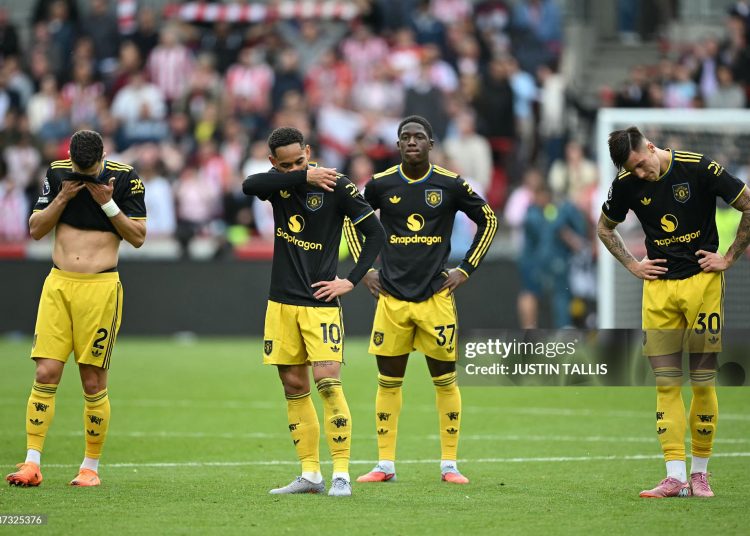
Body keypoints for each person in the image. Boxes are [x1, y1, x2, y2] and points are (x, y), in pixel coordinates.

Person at [598, 126, 750, 498]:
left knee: (701, 381)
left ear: (650, 147)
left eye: (640, 165)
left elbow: (748, 205)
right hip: (659, 292)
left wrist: (728, 257)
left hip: (702, 284)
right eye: (630, 170)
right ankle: (674, 476)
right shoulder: (625, 184)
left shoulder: (698, 168)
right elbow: (605, 228)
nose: (639, 175)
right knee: (666, 382)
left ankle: (700, 473)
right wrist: (634, 265)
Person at [353, 115, 497, 484]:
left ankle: (449, 465)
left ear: (431, 144)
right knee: (388, 382)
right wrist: (364, 270)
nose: (412, 141)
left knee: (445, 381)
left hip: (436, 298)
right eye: (405, 137)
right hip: (392, 299)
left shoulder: (449, 184)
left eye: (419, 137)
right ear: (398, 145)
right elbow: (352, 220)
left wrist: (465, 269)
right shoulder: (381, 184)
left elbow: (489, 220)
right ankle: (385, 465)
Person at [242, 127, 385, 497]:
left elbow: (375, 233)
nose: (294, 167)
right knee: (293, 386)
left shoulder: (337, 185)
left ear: (309, 150)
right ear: (275, 163)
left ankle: (340, 473)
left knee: (327, 382)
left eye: (301, 160)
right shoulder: (278, 183)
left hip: (320, 303)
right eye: (285, 164)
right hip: (281, 303)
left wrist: (351, 280)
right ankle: (310, 474)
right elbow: (248, 185)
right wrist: (299, 175)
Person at [6, 129, 146, 488]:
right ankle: (32, 463)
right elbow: (36, 229)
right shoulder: (57, 174)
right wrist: (63, 198)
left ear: (101, 159)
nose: (82, 176)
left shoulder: (125, 178)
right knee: (45, 373)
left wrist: (107, 203)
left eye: (89, 171)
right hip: (58, 285)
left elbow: (137, 237)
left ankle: (90, 468)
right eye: (77, 170)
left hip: (100, 289)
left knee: (92, 380)